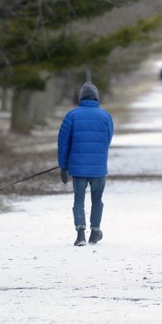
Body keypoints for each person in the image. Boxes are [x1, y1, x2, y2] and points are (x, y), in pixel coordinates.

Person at [57, 82, 115, 246]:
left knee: (79, 200)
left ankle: (80, 233)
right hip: (98, 167)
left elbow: (63, 143)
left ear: (81, 97)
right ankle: (95, 231)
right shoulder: (105, 116)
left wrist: (63, 165)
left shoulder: (72, 115)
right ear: (96, 97)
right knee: (97, 200)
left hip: (78, 167)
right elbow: (107, 140)